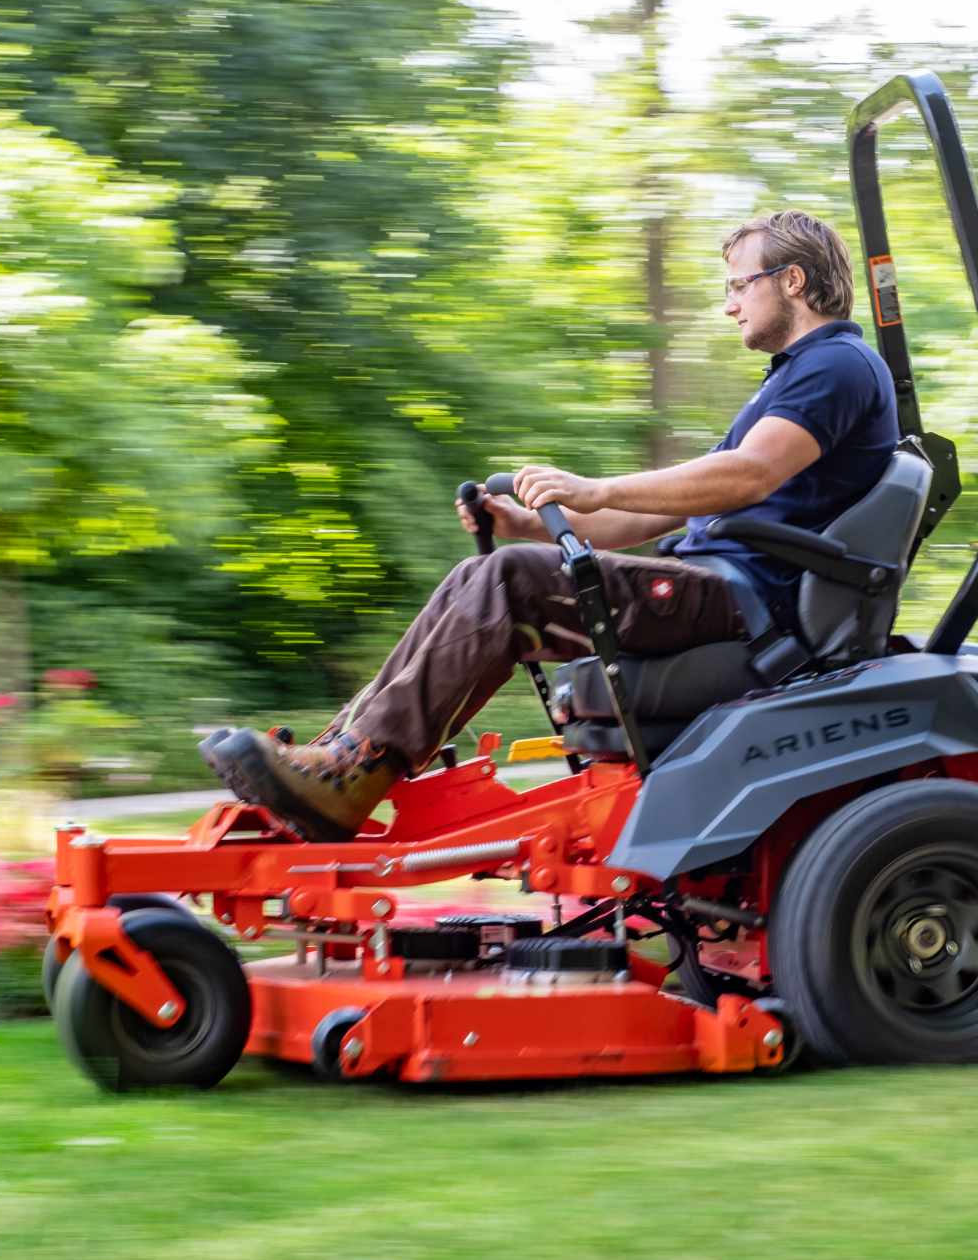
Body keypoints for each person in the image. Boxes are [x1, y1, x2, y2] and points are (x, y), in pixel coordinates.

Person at [203, 209, 901, 841]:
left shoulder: (836, 365)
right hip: (715, 585)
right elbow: (664, 509)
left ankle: (353, 773)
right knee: (487, 570)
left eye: (739, 284)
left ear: (792, 280)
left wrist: (592, 487)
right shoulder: (795, 377)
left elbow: (750, 474)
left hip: (746, 602)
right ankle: (338, 758)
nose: (728, 304)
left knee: (508, 582)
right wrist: (530, 525)